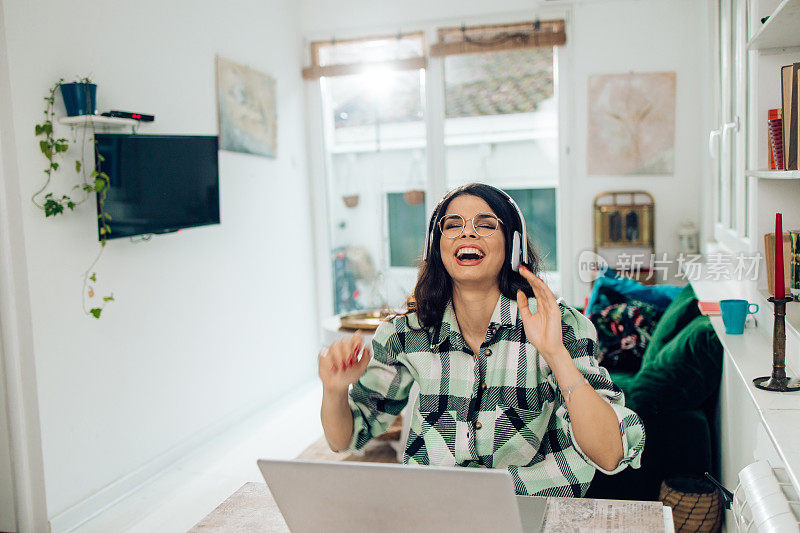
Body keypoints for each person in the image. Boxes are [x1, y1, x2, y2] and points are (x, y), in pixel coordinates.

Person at [318, 183, 645, 497]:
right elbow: (344, 439)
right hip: (436, 510)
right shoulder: (407, 334)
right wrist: (334, 390)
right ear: (438, 246)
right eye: (453, 224)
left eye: (486, 224)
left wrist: (555, 354)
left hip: (529, 507)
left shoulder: (559, 325)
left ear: (513, 245)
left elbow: (610, 453)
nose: (467, 232)